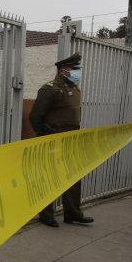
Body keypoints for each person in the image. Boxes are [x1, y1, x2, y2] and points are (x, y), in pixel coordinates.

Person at [28, 52, 94, 228]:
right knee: (50, 178)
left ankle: (73, 213)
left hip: (70, 141)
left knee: (72, 178)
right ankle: (46, 214)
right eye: (74, 69)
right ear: (63, 71)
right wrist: (44, 131)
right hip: (52, 140)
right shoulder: (49, 89)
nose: (77, 73)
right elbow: (35, 116)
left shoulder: (73, 88)